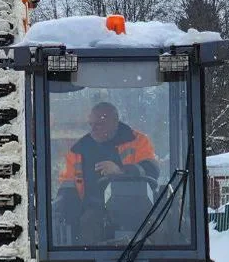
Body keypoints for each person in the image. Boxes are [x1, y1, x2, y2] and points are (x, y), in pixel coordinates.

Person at [54, 101, 160, 243]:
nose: (94, 129)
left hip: (137, 209)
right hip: (95, 210)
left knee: (157, 226)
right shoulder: (78, 149)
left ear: (115, 120)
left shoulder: (137, 140)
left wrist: (120, 171)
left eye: (99, 124)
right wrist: (60, 211)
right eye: (91, 125)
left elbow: (151, 169)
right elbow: (67, 187)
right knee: (87, 223)